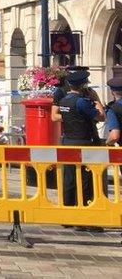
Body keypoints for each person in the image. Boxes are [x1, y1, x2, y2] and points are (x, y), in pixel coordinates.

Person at [57, 68, 104, 228]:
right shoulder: (82, 101)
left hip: (68, 142)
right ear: (83, 85)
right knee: (85, 179)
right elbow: (100, 116)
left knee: (69, 178)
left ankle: (67, 216)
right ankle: (82, 217)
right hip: (84, 143)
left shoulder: (63, 101)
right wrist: (96, 100)